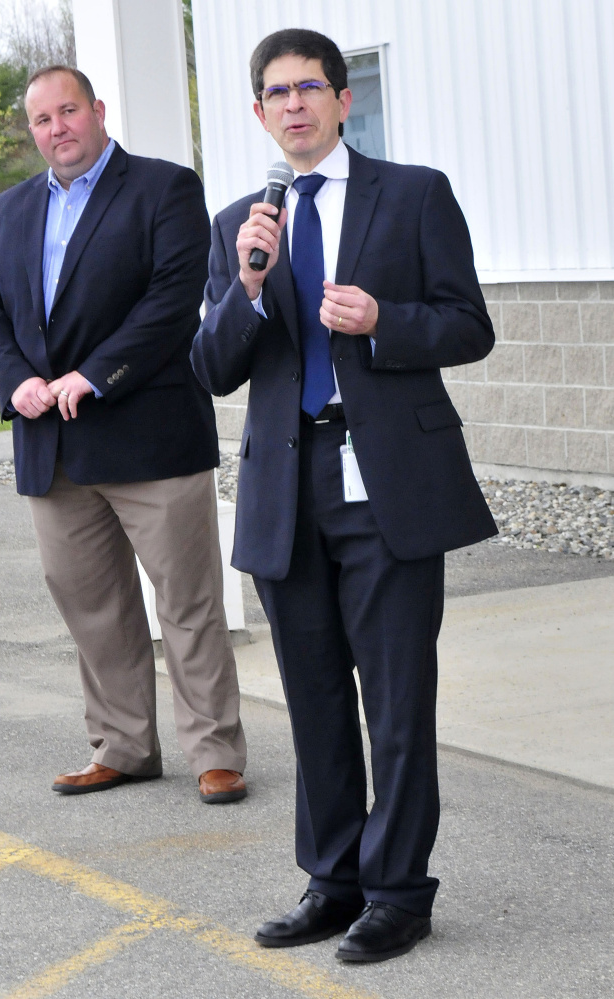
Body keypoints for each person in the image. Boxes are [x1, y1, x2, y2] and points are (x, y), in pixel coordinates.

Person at [191, 28, 497, 960]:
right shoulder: (244, 222)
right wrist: (246, 284)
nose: (293, 104)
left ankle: (399, 890)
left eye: (309, 87)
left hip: (387, 478)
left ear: (341, 99)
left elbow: (467, 325)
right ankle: (333, 880)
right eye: (275, 93)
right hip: (289, 484)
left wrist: (384, 320)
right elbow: (210, 367)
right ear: (257, 112)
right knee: (314, 694)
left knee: (396, 699)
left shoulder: (413, 195)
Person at [0, 65, 246, 805]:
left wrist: (93, 374)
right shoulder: (8, 209)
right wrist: (14, 382)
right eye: (41, 119)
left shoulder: (164, 188)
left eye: (68, 111)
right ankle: (122, 746)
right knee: (93, 608)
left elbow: (171, 300)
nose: (56, 128)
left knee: (187, 603)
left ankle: (215, 752)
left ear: (97, 110)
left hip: (149, 436)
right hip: (51, 444)